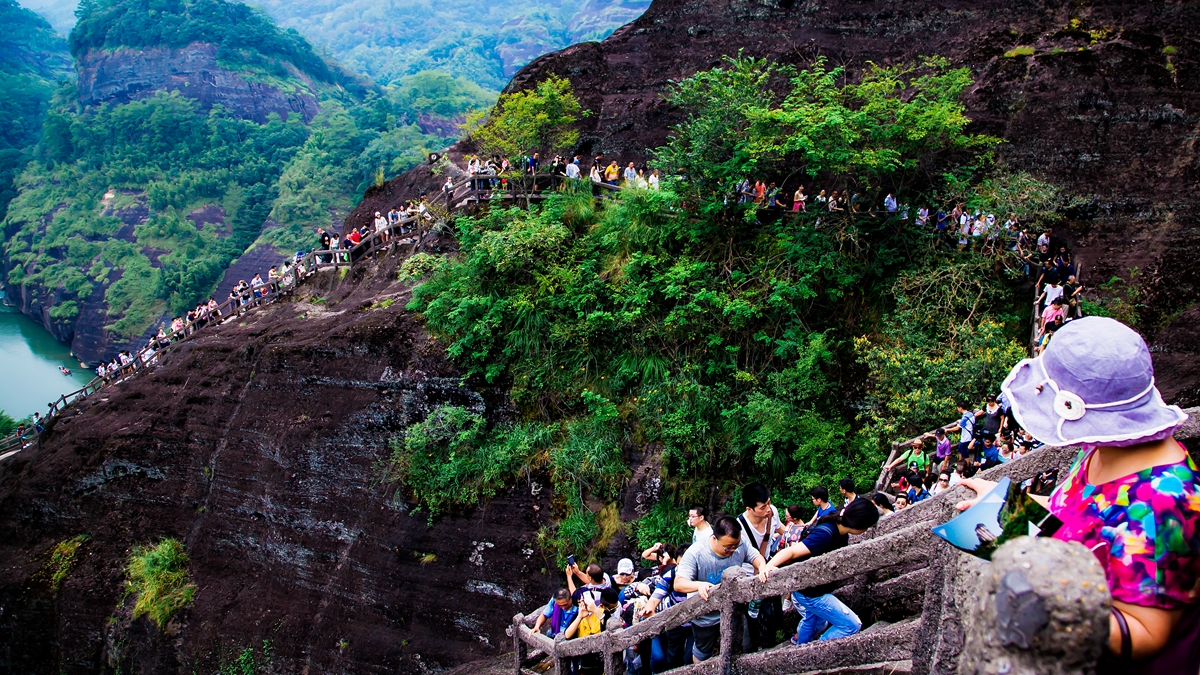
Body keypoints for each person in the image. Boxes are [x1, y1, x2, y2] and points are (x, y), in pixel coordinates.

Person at [955, 317, 1197, 671]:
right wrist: (1008, 507)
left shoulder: (1164, 502)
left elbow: (1146, 632)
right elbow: (1082, 519)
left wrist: (1049, 600)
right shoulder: (1105, 446)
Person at [758, 498, 880, 645]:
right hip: (810, 592)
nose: (866, 530)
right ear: (858, 524)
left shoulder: (841, 531)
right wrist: (768, 566)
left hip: (811, 587)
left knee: (813, 620)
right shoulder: (825, 534)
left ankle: (800, 650)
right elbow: (792, 552)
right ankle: (818, 650)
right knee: (851, 625)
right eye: (867, 526)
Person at [674, 516, 766, 663]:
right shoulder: (696, 553)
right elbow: (678, 583)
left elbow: (756, 556)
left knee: (745, 646)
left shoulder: (740, 543)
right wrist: (699, 585)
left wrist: (762, 567)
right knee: (702, 652)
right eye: (728, 547)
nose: (732, 550)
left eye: (735, 546)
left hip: (735, 610)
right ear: (715, 538)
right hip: (705, 616)